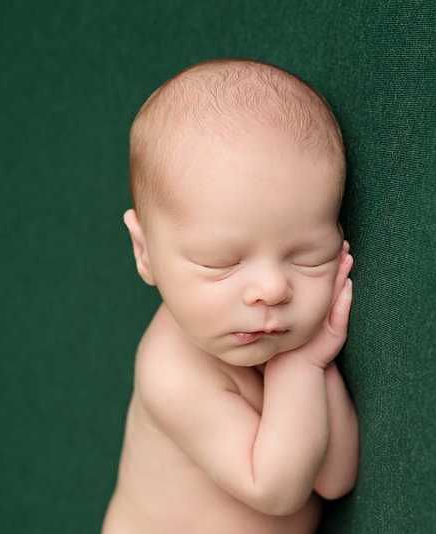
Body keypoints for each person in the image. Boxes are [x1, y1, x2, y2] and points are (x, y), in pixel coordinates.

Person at [102, 58, 359, 534]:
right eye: (221, 263)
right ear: (144, 252)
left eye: (309, 258)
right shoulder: (171, 371)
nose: (272, 290)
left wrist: (305, 363)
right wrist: (300, 365)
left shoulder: (284, 340)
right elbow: (276, 488)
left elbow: (335, 479)